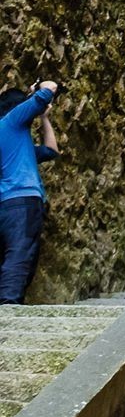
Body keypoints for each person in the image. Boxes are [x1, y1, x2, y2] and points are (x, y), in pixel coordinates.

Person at [0, 80, 59, 303]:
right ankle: (8, 306)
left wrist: (44, 118)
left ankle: (10, 302)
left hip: (5, 204)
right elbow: (50, 88)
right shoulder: (12, 122)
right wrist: (36, 91)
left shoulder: (16, 143)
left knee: (12, 254)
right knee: (20, 252)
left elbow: (51, 151)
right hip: (22, 201)